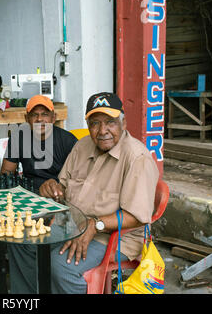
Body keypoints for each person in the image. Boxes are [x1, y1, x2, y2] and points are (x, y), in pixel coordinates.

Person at [9, 92, 160, 294]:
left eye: (110, 122)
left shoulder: (137, 158)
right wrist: (53, 187)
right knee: (20, 240)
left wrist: (95, 224)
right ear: (88, 125)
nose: (102, 130)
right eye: (95, 123)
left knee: (61, 266)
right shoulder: (82, 145)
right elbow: (62, 185)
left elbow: (137, 217)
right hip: (71, 223)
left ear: (123, 123)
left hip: (114, 236)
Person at [0, 94, 77, 193]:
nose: (39, 119)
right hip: (29, 193)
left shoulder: (68, 140)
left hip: (57, 193)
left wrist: (59, 191)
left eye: (45, 114)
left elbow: (78, 179)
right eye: (34, 114)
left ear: (53, 118)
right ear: (26, 118)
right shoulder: (18, 138)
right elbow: (6, 174)